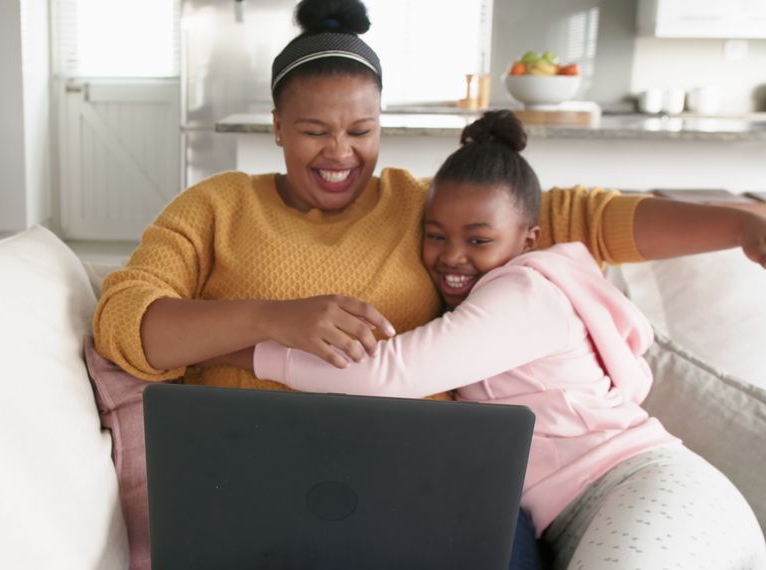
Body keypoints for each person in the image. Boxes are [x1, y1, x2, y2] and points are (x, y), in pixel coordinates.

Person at [93, 0, 766, 565]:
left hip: (426, 483)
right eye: (312, 131)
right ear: (274, 127)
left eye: (361, 130)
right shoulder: (216, 206)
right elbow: (125, 323)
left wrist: (739, 225)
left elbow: (573, 217)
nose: (339, 152)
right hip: (250, 478)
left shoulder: (426, 210)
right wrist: (273, 317)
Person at [246, 109, 766, 569]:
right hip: (581, 517)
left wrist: (246, 346)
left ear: (528, 239)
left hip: (648, 490)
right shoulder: (475, 308)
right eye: (435, 234)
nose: (452, 256)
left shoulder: (525, 291)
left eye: (478, 239)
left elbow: (386, 374)